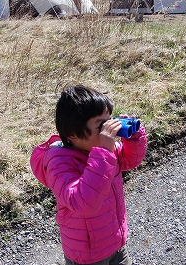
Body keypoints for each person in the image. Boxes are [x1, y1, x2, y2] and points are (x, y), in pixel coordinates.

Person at [30, 85, 147, 265]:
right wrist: (103, 154)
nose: (110, 130)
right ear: (73, 134)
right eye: (102, 125)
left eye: (110, 121)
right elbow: (83, 203)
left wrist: (133, 137)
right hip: (88, 255)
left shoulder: (106, 150)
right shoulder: (58, 163)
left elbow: (131, 161)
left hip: (115, 242)